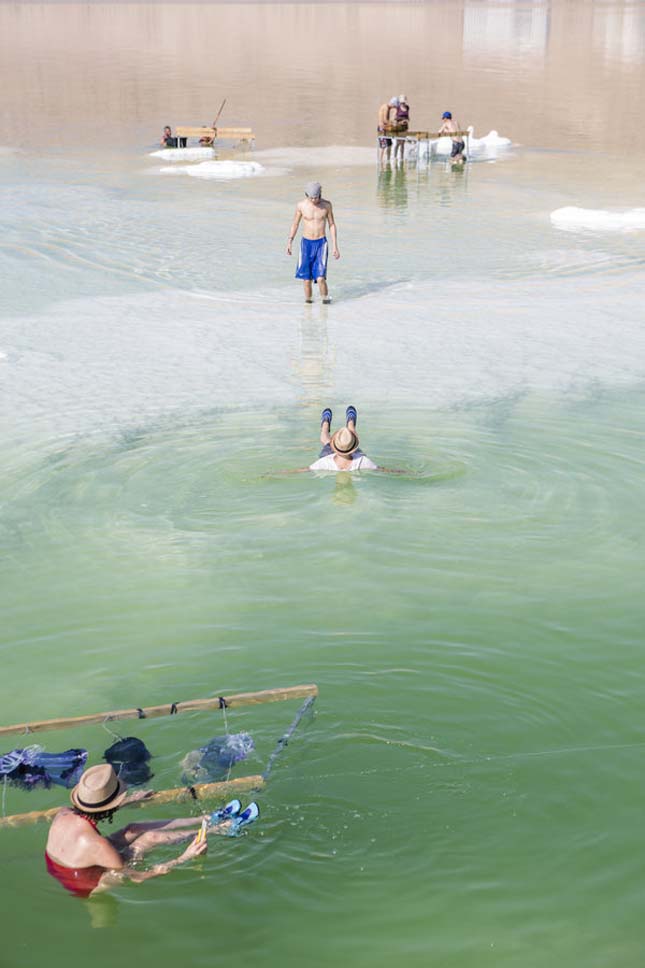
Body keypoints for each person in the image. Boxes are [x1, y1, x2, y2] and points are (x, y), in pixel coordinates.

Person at [44, 763, 258, 897]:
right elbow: (138, 876)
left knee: (133, 828)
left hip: (66, 863)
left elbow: (94, 814)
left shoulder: (64, 813)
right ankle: (221, 829)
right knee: (147, 839)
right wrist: (184, 857)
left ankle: (205, 819)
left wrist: (127, 802)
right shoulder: (96, 844)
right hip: (85, 883)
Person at [287, 182, 340, 304]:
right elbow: (295, 224)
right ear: (307, 195)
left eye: (316, 197)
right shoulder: (301, 206)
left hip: (321, 244)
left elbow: (331, 224)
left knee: (321, 278)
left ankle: (325, 302)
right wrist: (290, 241)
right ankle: (308, 305)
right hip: (306, 244)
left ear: (320, 194)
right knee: (306, 280)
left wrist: (335, 246)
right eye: (311, 198)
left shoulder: (326, 205)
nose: (314, 200)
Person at [309, 406, 402, 473]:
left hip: (329, 455)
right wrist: (406, 472)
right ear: (353, 448)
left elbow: (304, 470)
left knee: (325, 439)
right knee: (334, 438)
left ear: (334, 446)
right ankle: (349, 423)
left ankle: (326, 424)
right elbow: (384, 470)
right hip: (345, 449)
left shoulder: (323, 463)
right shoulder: (362, 462)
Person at [377, 97, 399, 165]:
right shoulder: (386, 107)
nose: (394, 108)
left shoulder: (387, 107)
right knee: (383, 146)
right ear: (393, 104)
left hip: (385, 128)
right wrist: (393, 123)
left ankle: (387, 160)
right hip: (382, 128)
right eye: (395, 106)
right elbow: (385, 120)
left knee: (389, 144)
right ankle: (380, 161)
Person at [393, 94, 410, 162]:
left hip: (405, 127)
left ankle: (401, 158)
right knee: (398, 143)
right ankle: (395, 157)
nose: (403, 103)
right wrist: (400, 121)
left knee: (403, 143)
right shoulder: (397, 108)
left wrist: (407, 120)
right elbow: (394, 118)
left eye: (404, 102)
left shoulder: (407, 107)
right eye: (401, 102)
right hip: (398, 127)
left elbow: (408, 117)